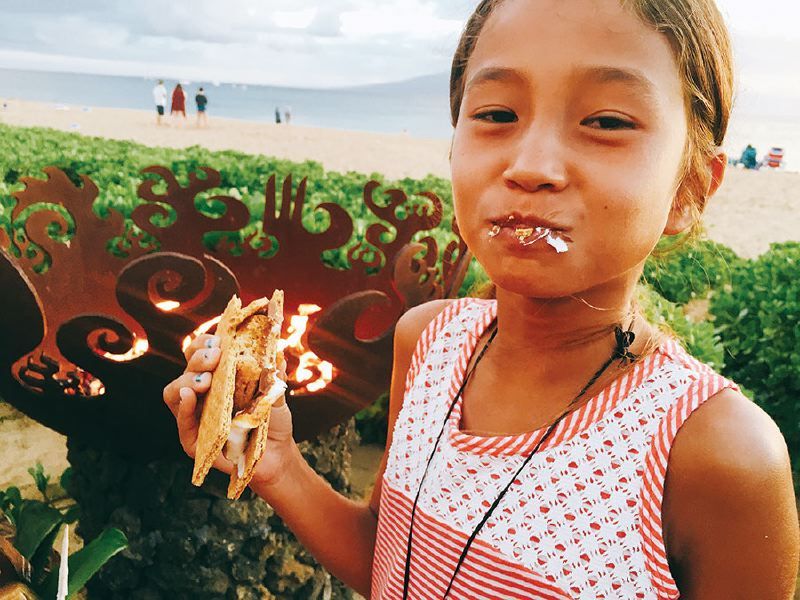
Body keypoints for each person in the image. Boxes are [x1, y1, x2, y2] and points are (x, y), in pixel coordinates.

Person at [164, 0, 800, 598]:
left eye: (606, 121)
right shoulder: (428, 341)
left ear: (691, 187)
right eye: (497, 114)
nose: (531, 163)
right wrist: (277, 463)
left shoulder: (716, 453)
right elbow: (393, 562)